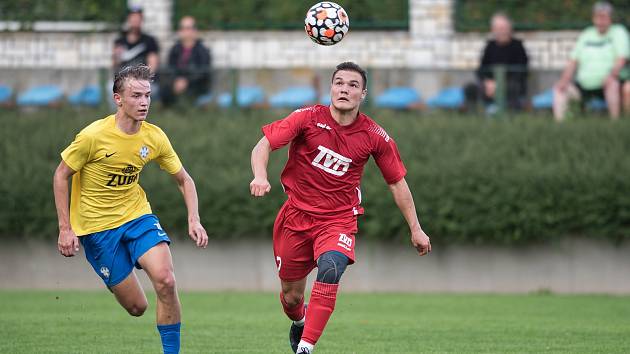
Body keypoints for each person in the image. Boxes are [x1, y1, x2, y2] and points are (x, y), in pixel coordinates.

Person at [249, 62, 431, 354]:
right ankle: (300, 323)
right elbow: (263, 145)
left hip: (338, 220)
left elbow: (397, 183)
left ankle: (306, 347)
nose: (344, 89)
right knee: (292, 297)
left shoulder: (375, 136)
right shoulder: (307, 118)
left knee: (332, 267)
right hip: (295, 217)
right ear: (330, 88)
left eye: (353, 85)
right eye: (339, 83)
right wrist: (260, 175)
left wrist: (416, 228)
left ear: (363, 94)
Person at [53, 64, 208, 354]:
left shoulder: (154, 137)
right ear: (118, 99)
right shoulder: (92, 136)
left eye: (147, 95)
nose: (144, 102)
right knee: (137, 307)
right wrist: (65, 228)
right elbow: (61, 175)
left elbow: (184, 180)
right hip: (96, 228)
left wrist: (194, 219)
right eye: (136, 96)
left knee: (166, 281)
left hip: (137, 216)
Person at [553, 1, 629, 121]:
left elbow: (621, 59)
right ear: (593, 18)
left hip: (610, 82)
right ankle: (561, 125)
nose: (601, 21)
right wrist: (564, 80)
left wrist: (611, 76)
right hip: (584, 84)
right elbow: (573, 61)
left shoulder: (619, 32)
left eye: (604, 17)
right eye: (598, 17)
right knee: (560, 89)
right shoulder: (586, 34)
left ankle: (615, 122)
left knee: (613, 84)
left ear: (610, 18)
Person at [474, 12, 529, 112]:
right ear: (493, 30)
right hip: (491, 85)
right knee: (471, 88)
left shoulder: (518, 46)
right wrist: (488, 82)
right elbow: (481, 68)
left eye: (504, 28)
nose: (501, 32)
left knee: (513, 86)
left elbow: (522, 71)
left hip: (510, 84)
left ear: (510, 29)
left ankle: (507, 112)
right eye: (498, 29)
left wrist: (500, 84)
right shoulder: (490, 46)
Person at [160, 16, 211, 107]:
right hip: (176, 84)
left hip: (195, 85)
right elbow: (170, 69)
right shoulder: (175, 49)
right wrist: (175, 81)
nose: (185, 31)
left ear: (194, 31)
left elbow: (203, 72)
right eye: (182, 28)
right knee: (164, 91)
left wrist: (186, 81)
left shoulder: (202, 51)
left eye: (188, 28)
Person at [113, 6, 160, 74]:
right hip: (124, 79)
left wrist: (141, 80)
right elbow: (115, 65)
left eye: (138, 17)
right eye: (133, 17)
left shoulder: (149, 41)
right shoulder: (120, 41)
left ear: (141, 20)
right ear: (128, 19)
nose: (135, 20)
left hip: (143, 79)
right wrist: (117, 57)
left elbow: (152, 65)